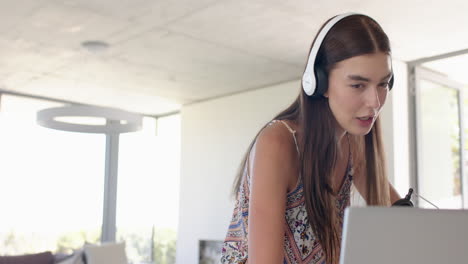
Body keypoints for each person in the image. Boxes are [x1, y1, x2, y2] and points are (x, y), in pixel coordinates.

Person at [220, 13, 402, 264]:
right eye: (358, 85)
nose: (375, 102)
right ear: (319, 82)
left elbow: (400, 219)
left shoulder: (353, 142)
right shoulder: (278, 143)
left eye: (383, 84)